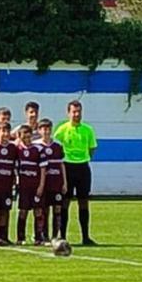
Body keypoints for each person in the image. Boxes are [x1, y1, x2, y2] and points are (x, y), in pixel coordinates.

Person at [54, 100, 98, 245]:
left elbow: (92, 149)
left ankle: (85, 236)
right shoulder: (62, 130)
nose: (77, 114)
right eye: (74, 112)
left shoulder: (88, 130)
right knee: (65, 202)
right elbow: (56, 146)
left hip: (83, 168)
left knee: (83, 202)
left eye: (79, 111)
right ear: (68, 113)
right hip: (67, 168)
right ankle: (63, 236)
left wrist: (83, 158)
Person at [36, 118, 67, 241]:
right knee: (44, 209)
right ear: (39, 130)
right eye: (43, 129)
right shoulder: (36, 146)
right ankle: (45, 235)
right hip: (44, 183)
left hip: (56, 182)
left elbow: (61, 164)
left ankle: (55, 235)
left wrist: (65, 182)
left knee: (57, 208)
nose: (46, 131)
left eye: (48, 129)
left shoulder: (57, 146)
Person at [15, 124, 46, 245]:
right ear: (19, 136)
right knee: (23, 211)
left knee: (38, 211)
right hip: (23, 187)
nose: (27, 139)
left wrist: (41, 186)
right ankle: (20, 237)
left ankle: (38, 237)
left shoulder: (38, 150)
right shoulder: (17, 150)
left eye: (29, 136)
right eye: (24, 137)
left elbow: (43, 169)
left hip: (35, 185)